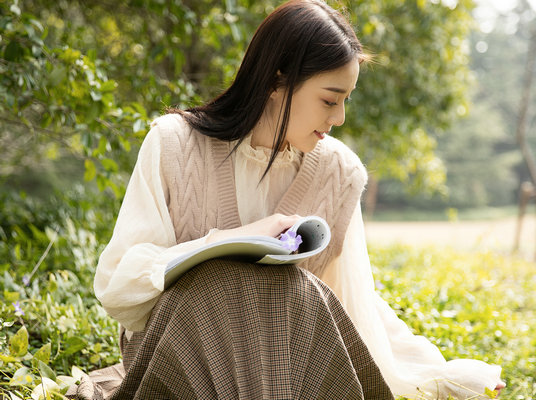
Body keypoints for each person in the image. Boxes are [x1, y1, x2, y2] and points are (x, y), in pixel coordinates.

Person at [85, 0, 505, 399]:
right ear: (276, 79)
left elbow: (354, 304)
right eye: (329, 99)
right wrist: (225, 242)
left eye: (345, 101)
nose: (338, 118)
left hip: (287, 359)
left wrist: (440, 375)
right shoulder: (175, 143)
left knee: (296, 291)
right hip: (187, 353)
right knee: (222, 285)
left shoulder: (339, 171)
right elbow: (119, 284)